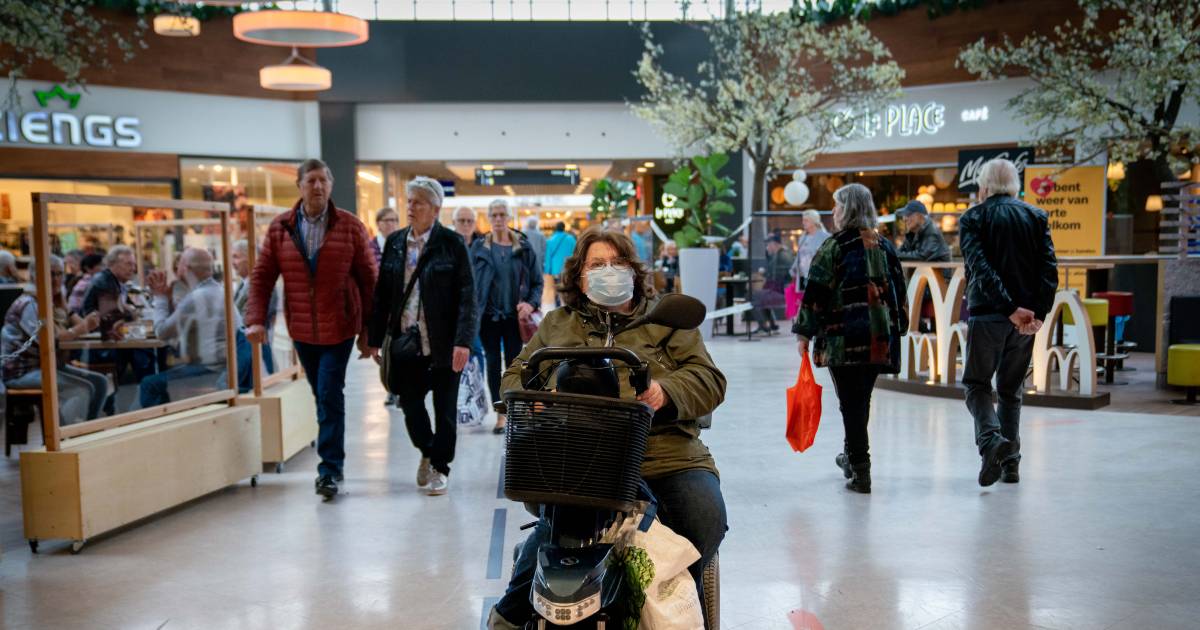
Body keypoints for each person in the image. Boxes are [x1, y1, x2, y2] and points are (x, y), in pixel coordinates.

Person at [488, 227, 728, 630]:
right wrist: (541, 392)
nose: (608, 271)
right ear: (579, 277)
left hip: (664, 452)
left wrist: (664, 391)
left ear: (634, 271)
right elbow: (514, 376)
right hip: (580, 459)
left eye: (617, 263)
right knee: (553, 539)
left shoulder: (664, 320)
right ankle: (510, 616)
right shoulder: (557, 324)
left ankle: (690, 613)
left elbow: (709, 378)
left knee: (703, 516)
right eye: (597, 265)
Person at [244, 158, 377, 501]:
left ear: (330, 186)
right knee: (322, 395)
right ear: (300, 186)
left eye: (323, 181)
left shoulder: (350, 226)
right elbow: (261, 277)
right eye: (311, 181)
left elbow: (369, 280)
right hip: (302, 330)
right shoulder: (280, 228)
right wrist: (255, 319)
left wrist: (370, 333)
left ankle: (329, 470)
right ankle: (332, 459)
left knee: (330, 392)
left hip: (341, 326)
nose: (317, 187)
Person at [793, 183, 907, 494]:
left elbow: (815, 292)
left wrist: (804, 331)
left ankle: (861, 469)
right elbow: (900, 290)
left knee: (850, 404)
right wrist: (900, 326)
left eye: (838, 206)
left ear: (850, 210)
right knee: (860, 401)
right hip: (878, 339)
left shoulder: (834, 246)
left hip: (843, 338)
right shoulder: (884, 246)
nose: (833, 212)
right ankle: (851, 458)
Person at [367, 177, 475, 497]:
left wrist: (463, 341)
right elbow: (383, 294)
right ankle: (428, 451)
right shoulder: (396, 242)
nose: (410, 208)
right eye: (409, 201)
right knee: (410, 405)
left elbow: (469, 296)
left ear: (435, 209)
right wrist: (375, 338)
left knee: (445, 410)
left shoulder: (452, 244)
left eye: (418, 202)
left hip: (443, 344)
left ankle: (440, 467)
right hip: (405, 345)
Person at [959, 158, 1058, 487]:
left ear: (983, 187)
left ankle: (991, 441)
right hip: (1025, 321)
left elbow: (981, 268)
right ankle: (1011, 464)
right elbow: (1049, 272)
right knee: (1011, 390)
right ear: (1015, 186)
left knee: (976, 384)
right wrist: (1036, 314)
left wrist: (1007, 308)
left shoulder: (974, 217)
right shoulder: (1036, 216)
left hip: (988, 314)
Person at [2, 255, 108, 425]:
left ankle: (87, 430)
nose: (56, 279)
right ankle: (65, 438)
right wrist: (83, 327)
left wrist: (65, 307)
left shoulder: (48, 301)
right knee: (82, 389)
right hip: (22, 372)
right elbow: (54, 339)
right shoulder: (29, 303)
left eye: (60, 274)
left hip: (48, 365)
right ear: (35, 276)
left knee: (100, 382)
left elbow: (78, 328)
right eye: (51, 274)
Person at [471, 199, 543, 434]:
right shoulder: (480, 248)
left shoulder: (522, 247)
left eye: (502, 214)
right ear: (489, 218)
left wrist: (530, 304)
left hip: (515, 319)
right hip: (488, 317)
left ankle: (515, 409)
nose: (498, 219)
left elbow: (537, 282)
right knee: (492, 364)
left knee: (514, 364)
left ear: (509, 217)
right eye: (494, 215)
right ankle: (501, 414)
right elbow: (470, 283)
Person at [139, 249, 232, 408]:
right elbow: (178, 326)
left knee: (149, 384)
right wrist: (168, 299)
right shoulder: (216, 290)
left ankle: (159, 429)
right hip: (224, 365)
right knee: (164, 375)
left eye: (179, 263)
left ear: (186, 268)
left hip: (212, 370)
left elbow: (161, 332)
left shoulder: (198, 296)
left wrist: (160, 297)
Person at [81, 245, 156, 384]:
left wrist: (130, 311)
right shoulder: (105, 282)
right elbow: (113, 317)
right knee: (146, 355)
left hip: (106, 338)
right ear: (113, 264)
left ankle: (150, 392)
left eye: (133, 264)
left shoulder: (115, 282)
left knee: (147, 351)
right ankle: (151, 394)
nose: (132, 268)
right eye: (128, 264)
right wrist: (131, 312)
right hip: (99, 343)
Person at [367, 207, 402, 405]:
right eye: (387, 220)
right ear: (378, 223)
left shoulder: (402, 244)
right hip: (379, 307)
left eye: (394, 220)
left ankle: (397, 388)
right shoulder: (370, 247)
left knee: (398, 348)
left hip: (399, 308)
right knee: (384, 351)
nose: (391, 224)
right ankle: (391, 386)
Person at [231, 239, 277, 376]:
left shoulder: (261, 283)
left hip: (255, 352)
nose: (233, 262)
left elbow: (247, 320)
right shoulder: (244, 283)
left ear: (250, 257)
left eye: (236, 257)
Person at [752, 234, 793, 335]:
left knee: (753, 297)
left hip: (781, 291)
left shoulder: (781, 255)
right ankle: (772, 325)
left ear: (775, 244)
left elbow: (772, 274)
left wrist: (765, 271)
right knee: (761, 296)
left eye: (769, 245)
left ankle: (763, 326)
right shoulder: (782, 254)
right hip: (780, 289)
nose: (767, 247)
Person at [790, 210, 831, 291]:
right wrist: (794, 268)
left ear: (814, 221)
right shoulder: (803, 238)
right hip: (803, 275)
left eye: (806, 220)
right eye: (803, 220)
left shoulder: (825, 237)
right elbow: (799, 255)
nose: (803, 222)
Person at [542, 221, 575, 306]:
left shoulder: (550, 240)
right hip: (568, 268)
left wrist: (547, 270)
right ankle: (568, 305)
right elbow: (576, 253)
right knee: (568, 287)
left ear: (555, 229)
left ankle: (558, 306)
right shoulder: (571, 239)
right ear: (564, 228)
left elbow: (548, 257)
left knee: (558, 288)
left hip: (556, 270)